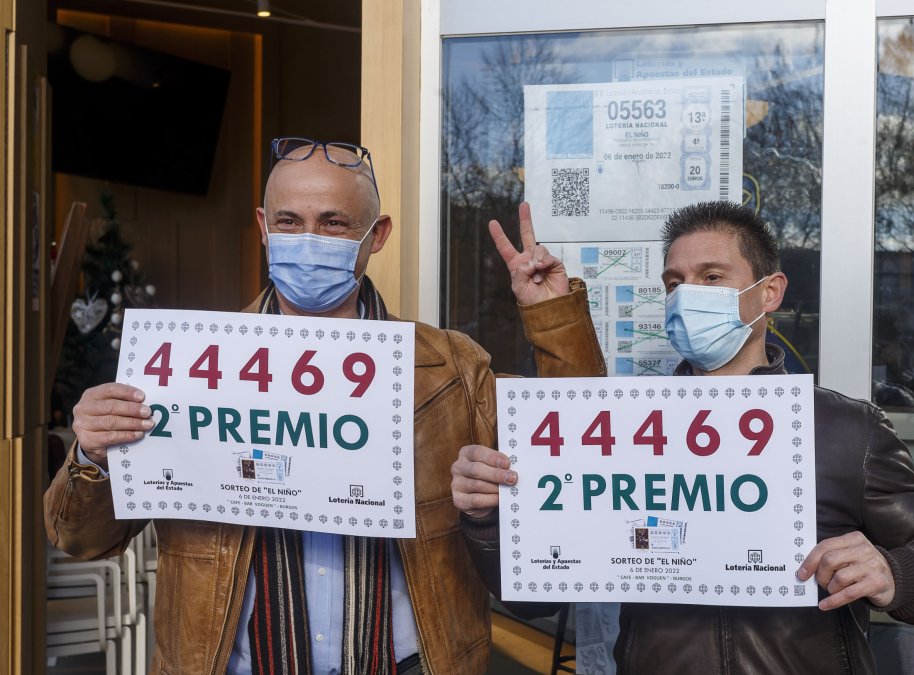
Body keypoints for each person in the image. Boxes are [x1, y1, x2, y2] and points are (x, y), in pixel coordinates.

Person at [44, 137, 606, 675]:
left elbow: (580, 451)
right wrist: (92, 455)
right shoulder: (185, 364)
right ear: (264, 228)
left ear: (377, 234)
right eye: (289, 221)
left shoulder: (451, 367)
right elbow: (81, 540)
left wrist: (552, 316)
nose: (308, 238)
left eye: (333, 223)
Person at [451, 201, 914, 674]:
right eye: (674, 283)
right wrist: (487, 518)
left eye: (712, 277)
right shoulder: (628, 429)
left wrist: (894, 570)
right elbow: (531, 595)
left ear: (769, 292)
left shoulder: (843, 428)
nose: (688, 296)